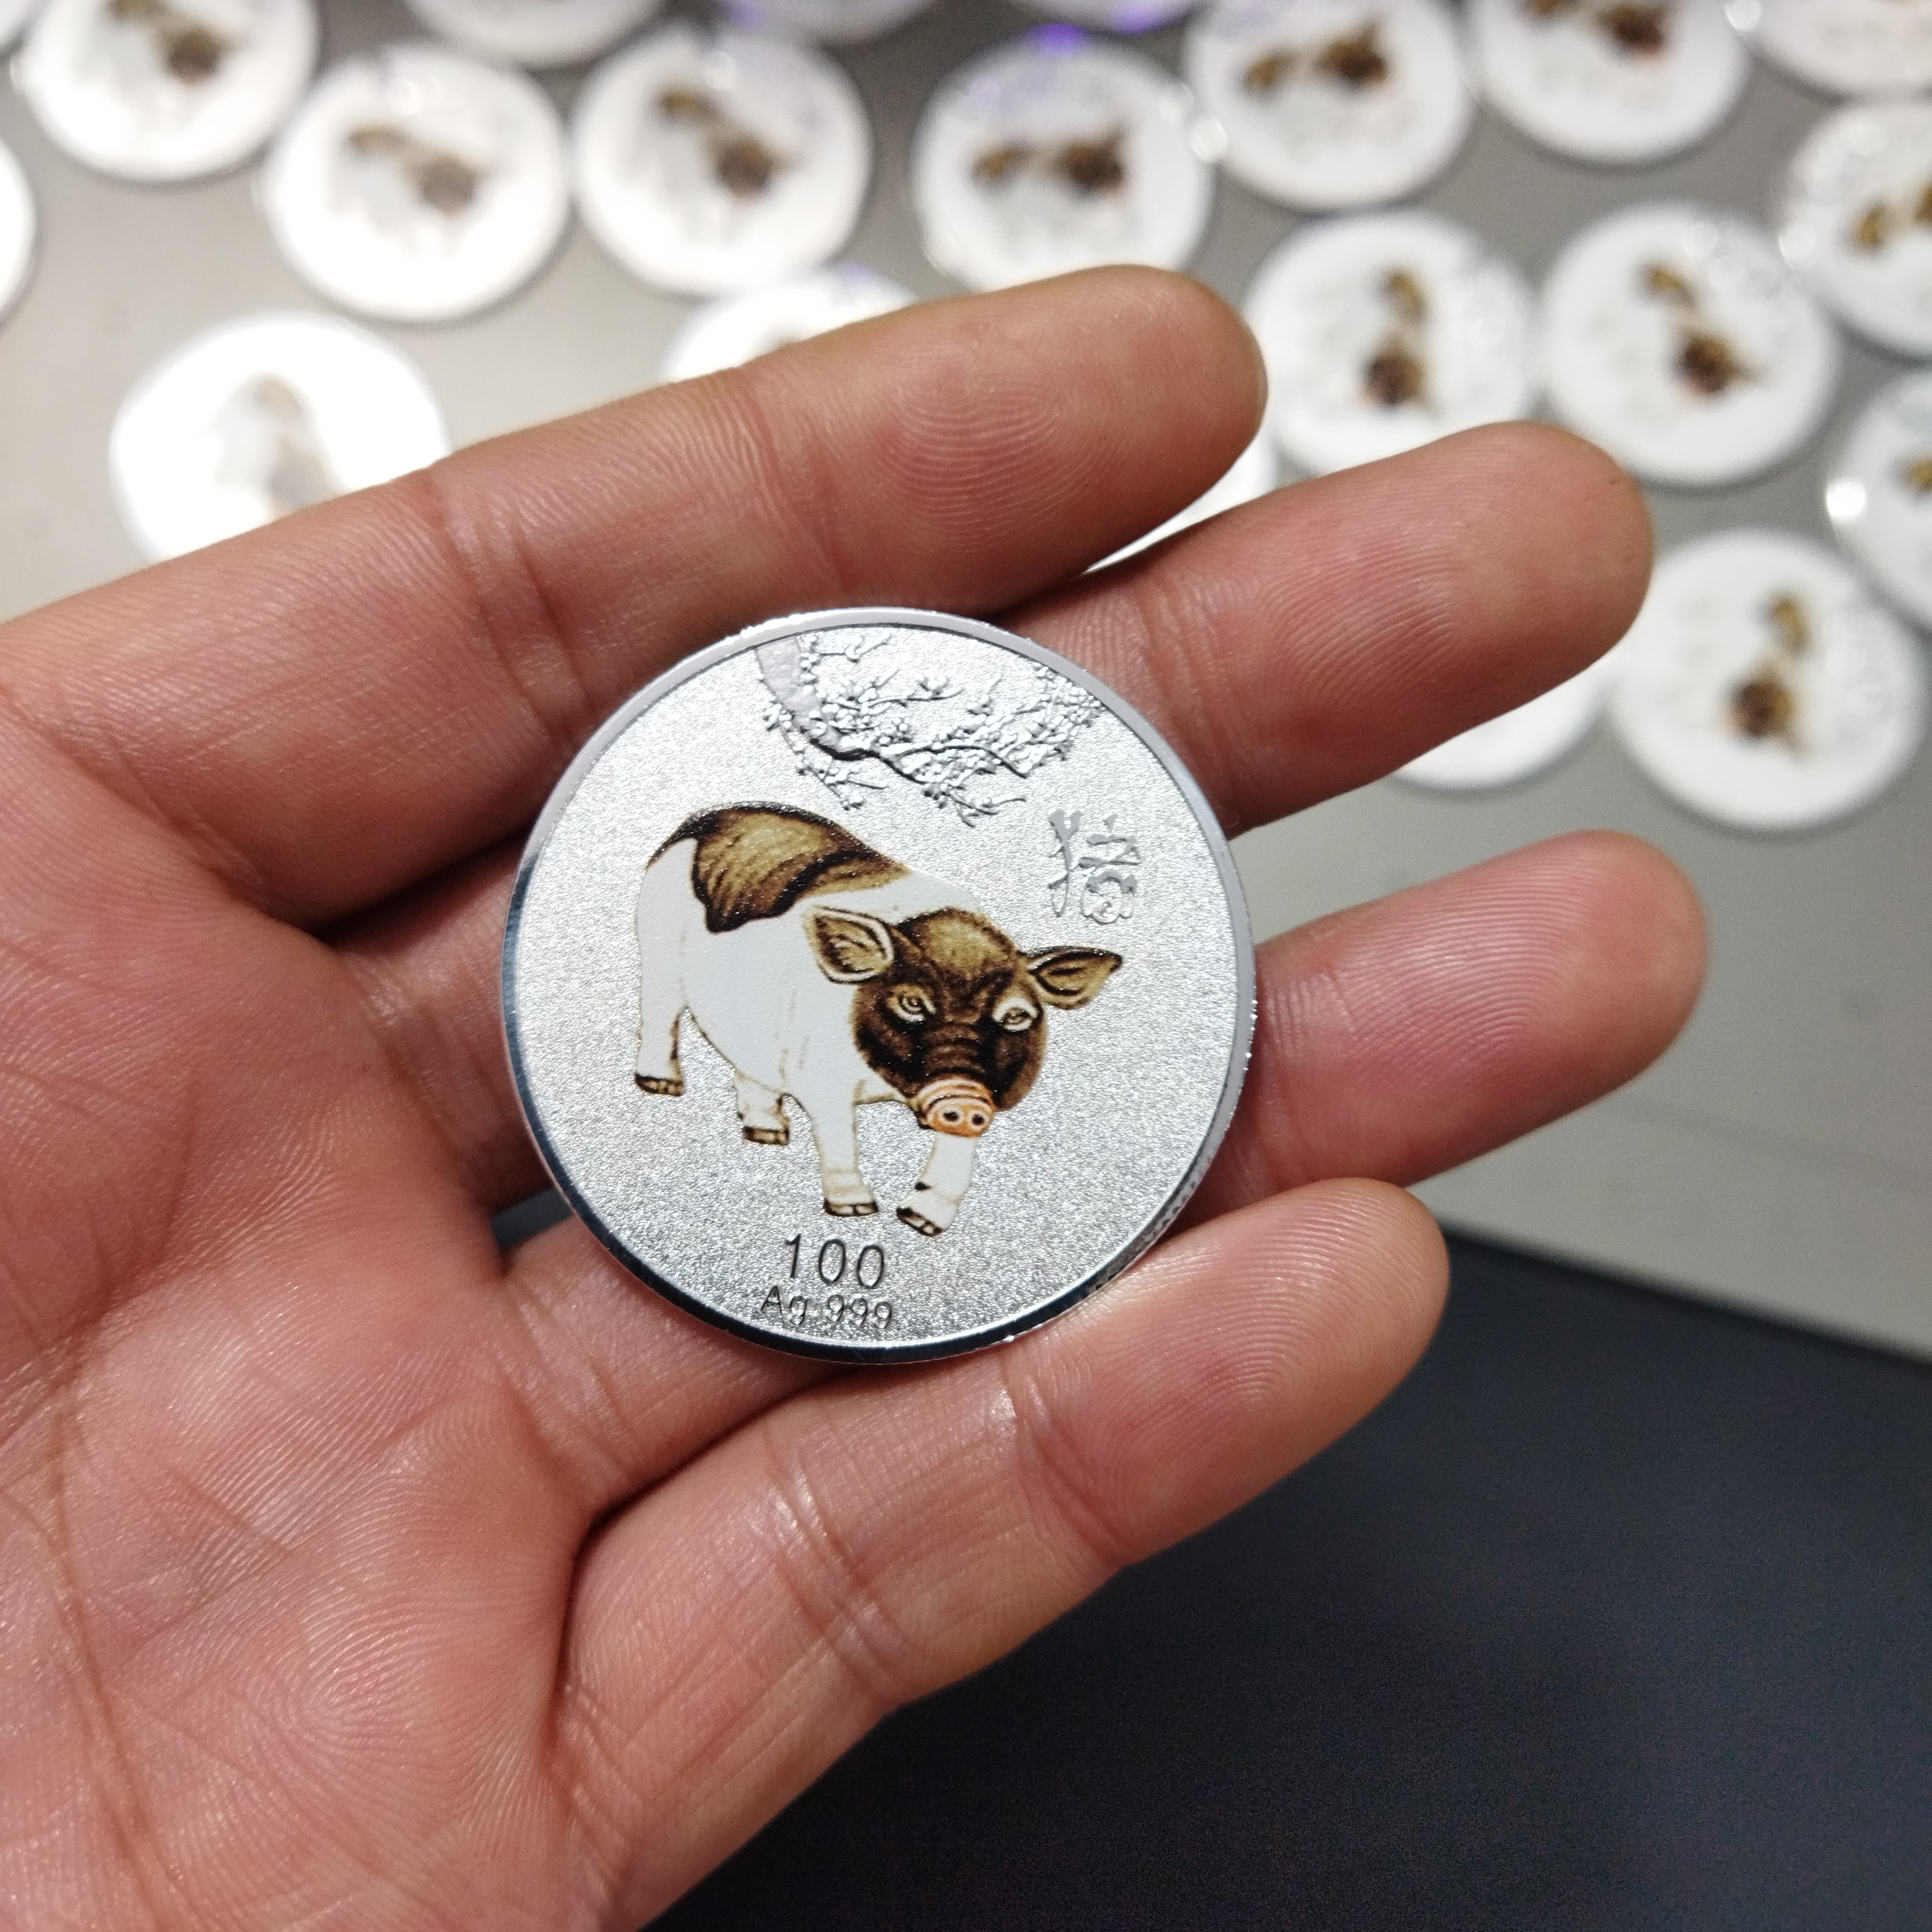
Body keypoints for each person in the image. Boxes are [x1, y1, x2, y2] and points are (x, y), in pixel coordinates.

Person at [0, 269, 1701, 1928]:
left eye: (999, 1037)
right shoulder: (801, 953)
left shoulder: (953, 994)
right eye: (936, 1040)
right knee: (691, 1020)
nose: (965, 1071)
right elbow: (844, 1079)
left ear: (1048, 997)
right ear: (865, 976)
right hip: (721, 914)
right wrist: (821, 1152)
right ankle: (681, 1053)